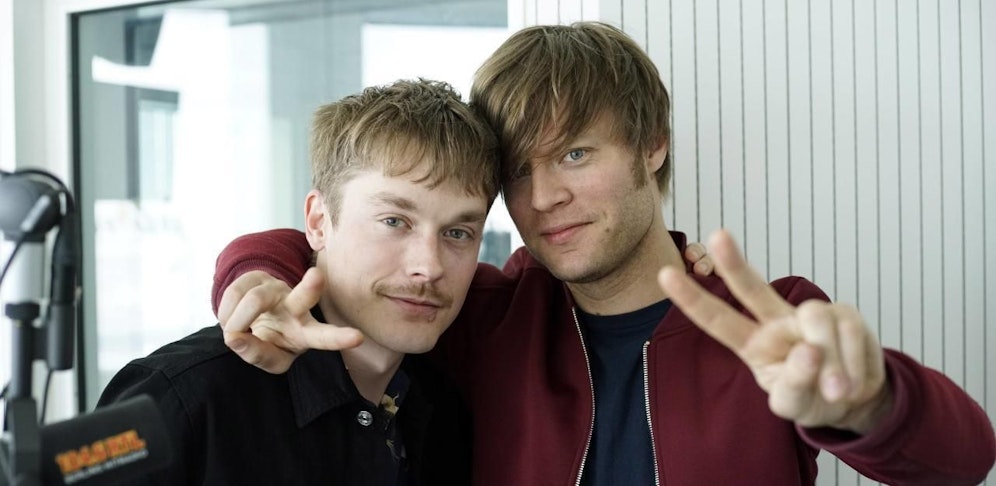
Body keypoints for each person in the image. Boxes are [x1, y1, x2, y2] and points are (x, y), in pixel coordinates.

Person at [212, 22, 996, 485]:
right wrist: (257, 271)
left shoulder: (768, 320)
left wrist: (867, 406)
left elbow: (965, 459)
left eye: (577, 155)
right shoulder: (483, 317)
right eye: (519, 170)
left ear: (652, 146)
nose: (544, 195)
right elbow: (349, 247)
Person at [96, 79, 503, 485]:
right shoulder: (181, 397)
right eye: (394, 221)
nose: (428, 267)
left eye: (457, 233)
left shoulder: (449, 412)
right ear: (318, 221)